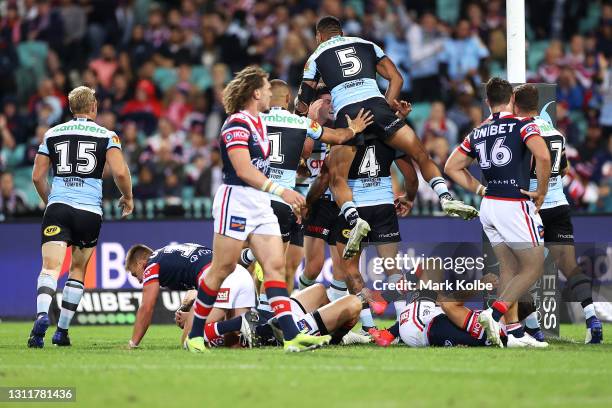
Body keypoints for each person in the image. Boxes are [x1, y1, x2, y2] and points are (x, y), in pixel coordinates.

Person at [295, 16, 478, 260]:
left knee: (336, 177)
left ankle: (354, 219)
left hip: (349, 114)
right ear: (341, 31)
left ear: (319, 36)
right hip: (377, 106)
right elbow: (397, 78)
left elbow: (304, 99)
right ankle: (445, 197)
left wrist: (299, 109)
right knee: (420, 154)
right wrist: (388, 109)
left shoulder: (316, 56)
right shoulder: (367, 44)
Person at [184, 66, 330, 353]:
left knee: (275, 267)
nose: (269, 92)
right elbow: (244, 170)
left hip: (261, 203)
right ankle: (195, 335)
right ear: (255, 93)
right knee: (222, 269)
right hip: (236, 199)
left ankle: (290, 336)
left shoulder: (261, 123)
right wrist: (283, 191)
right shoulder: (235, 124)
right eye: (264, 87)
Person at [444, 78, 551, 348]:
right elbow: (544, 156)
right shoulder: (523, 124)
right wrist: (541, 192)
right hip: (512, 203)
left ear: (487, 102)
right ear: (513, 100)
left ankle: (513, 332)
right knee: (534, 264)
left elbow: (452, 166)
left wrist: (479, 189)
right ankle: (494, 314)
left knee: (509, 268)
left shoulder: (479, 131)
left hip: (489, 205)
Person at [28, 85, 133, 348]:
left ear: (71, 107)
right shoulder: (106, 135)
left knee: (50, 268)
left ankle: (42, 315)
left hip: (59, 207)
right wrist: (128, 197)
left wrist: (49, 201)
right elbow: (120, 172)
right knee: (77, 269)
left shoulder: (53, 133)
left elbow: (37, 176)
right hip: (89, 211)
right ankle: (61, 331)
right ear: (94, 107)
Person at [512, 84, 603, 344]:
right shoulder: (556, 133)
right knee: (570, 266)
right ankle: (592, 319)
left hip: (532, 205)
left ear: (516, 105)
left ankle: (534, 330)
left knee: (520, 270)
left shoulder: (521, 131)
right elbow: (563, 169)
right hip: (558, 204)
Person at [261, 79, 372, 291]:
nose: (330, 106)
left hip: (324, 202)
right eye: (326, 102)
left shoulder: (258, 121)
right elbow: (302, 158)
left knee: (336, 268)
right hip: (306, 201)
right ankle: (285, 306)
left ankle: (290, 308)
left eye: (333, 102)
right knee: (304, 266)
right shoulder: (302, 124)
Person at [124, 243, 259, 348]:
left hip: (220, 279)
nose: (139, 280)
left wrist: (133, 343)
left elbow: (147, 306)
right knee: (234, 342)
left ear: (140, 263)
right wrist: (189, 314)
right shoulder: (172, 253)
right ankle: (246, 326)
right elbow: (200, 283)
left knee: (189, 340)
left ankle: (240, 322)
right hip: (240, 275)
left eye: (135, 274)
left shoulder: (151, 265)